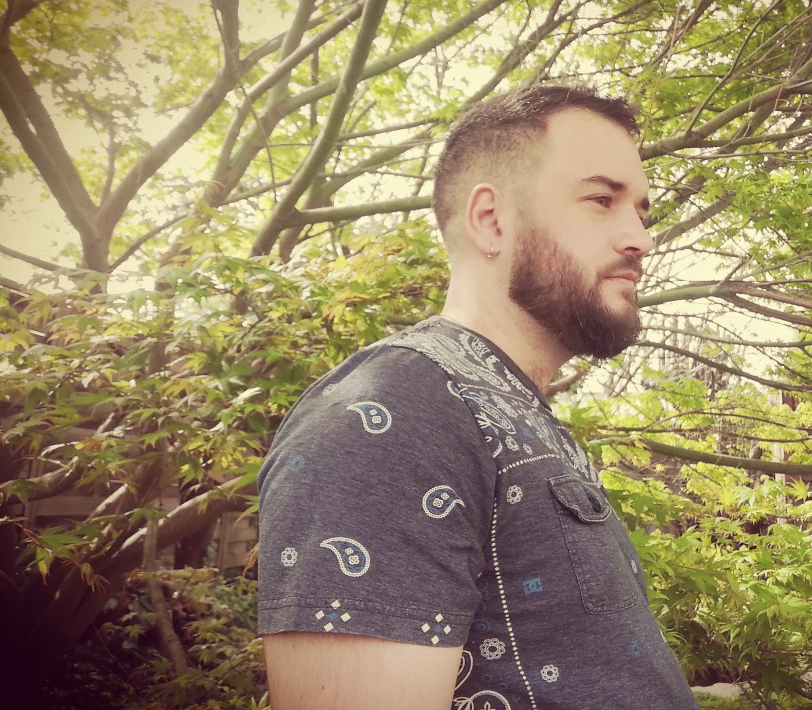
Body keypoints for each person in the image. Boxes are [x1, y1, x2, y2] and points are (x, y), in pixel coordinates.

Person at [257, 85, 701, 709]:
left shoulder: (505, 408)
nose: (640, 239)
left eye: (642, 213)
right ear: (492, 221)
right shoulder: (394, 412)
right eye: (601, 200)